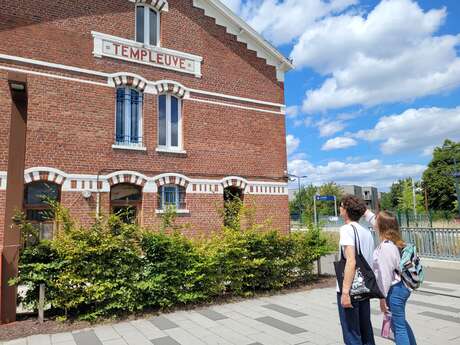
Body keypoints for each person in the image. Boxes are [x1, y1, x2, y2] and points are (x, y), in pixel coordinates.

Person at [368, 209, 417, 345]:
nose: (374, 222)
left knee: (398, 328)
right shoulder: (394, 242)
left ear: (381, 225)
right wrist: (363, 210)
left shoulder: (386, 247)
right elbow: (374, 220)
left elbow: (385, 276)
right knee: (400, 323)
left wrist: (382, 298)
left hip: (394, 291)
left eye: (376, 220)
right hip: (400, 288)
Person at [337, 195, 376, 345]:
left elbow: (350, 261)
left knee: (351, 333)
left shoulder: (346, 229)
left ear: (346, 211)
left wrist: (345, 292)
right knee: (366, 330)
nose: (339, 208)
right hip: (364, 287)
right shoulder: (366, 232)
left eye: (341, 206)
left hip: (351, 288)